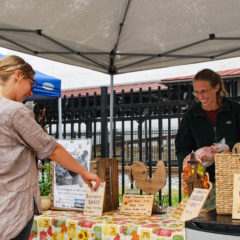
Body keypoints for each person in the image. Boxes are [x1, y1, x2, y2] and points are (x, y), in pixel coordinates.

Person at [0, 55, 103, 240]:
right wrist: (84, 172)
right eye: (31, 84)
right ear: (18, 75)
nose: (31, 92)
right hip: (12, 210)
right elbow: (52, 149)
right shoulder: (15, 111)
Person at [175, 69, 240, 184]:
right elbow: (181, 148)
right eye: (196, 92)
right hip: (203, 181)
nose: (200, 97)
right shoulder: (190, 116)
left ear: (217, 87)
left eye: (204, 91)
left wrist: (229, 147)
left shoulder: (236, 111)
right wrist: (188, 166)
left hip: (234, 180)